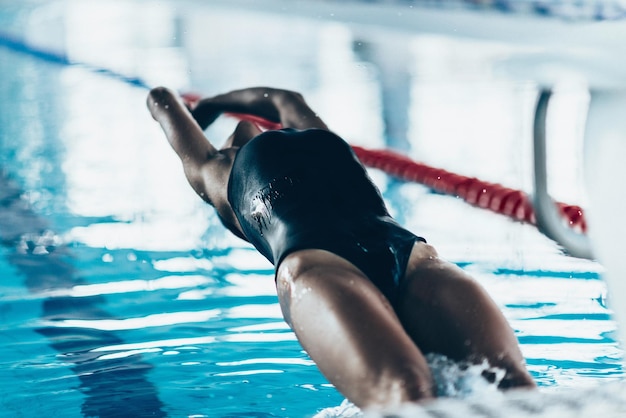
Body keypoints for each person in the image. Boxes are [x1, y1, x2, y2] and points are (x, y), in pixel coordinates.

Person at [147, 86, 536, 411]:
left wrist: (213, 105)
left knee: (513, 389)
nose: (245, 125)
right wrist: (207, 106)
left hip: (410, 254)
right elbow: (162, 100)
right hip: (319, 268)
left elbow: (284, 99)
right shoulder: (216, 175)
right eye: (237, 130)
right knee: (407, 395)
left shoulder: (314, 138)